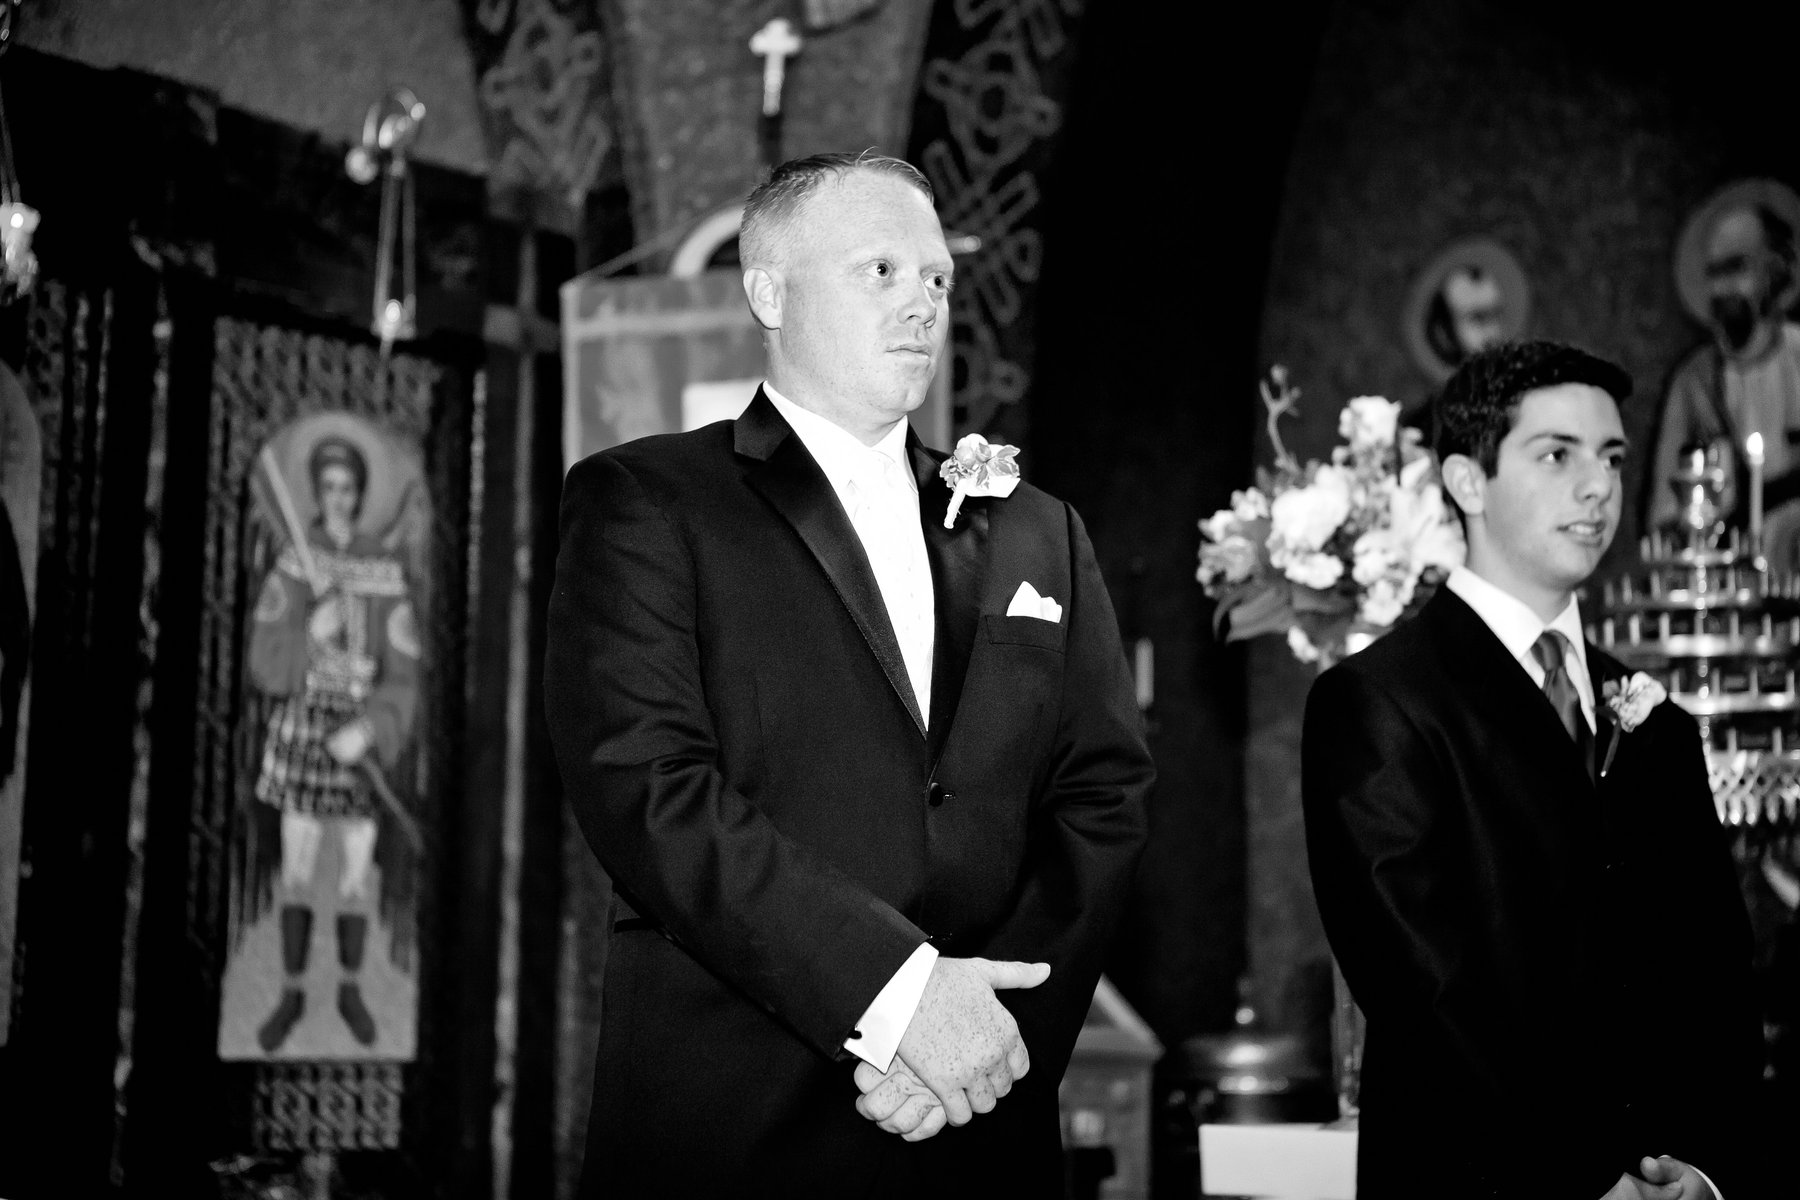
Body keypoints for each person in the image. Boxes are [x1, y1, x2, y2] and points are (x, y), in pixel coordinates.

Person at [543, 151, 1152, 1196]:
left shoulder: (1036, 531)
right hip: (740, 1124)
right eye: (881, 271)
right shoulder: (648, 501)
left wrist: (995, 1034)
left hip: (981, 1121)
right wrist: (900, 994)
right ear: (769, 293)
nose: (923, 301)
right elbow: (648, 791)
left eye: (937, 277)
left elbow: (1102, 796)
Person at [1303, 341, 1762, 1198]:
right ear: (1467, 482)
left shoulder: (1652, 721)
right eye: (1558, 455)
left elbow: (1717, 978)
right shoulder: (1380, 702)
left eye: (1612, 458)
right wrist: (1584, 1178)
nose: (1599, 488)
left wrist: (1702, 1167)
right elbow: (1424, 992)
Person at [247, 435, 419, 1053]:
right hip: (305, 724)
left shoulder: (383, 571)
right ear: (316, 494)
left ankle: (349, 990)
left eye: (348, 489)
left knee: (353, 875)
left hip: (358, 730)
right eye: (328, 488)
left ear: (361, 494)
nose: (338, 499)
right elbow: (265, 659)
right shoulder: (295, 563)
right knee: (297, 870)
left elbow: (404, 672)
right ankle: (292, 993)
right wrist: (310, 636)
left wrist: (369, 729)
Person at [1648, 204, 1800, 541]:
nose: (1723, 289)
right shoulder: (1695, 382)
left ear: (1775, 268)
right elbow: (1665, 512)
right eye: (1715, 273)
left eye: (1736, 268)